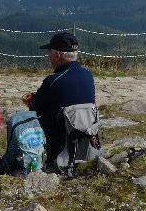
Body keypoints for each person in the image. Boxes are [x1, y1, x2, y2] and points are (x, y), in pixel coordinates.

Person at [22, 32, 96, 166]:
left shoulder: (52, 81)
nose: (48, 57)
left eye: (49, 53)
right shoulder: (88, 76)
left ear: (57, 55)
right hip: (85, 145)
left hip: (57, 149)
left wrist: (31, 101)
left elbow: (35, 110)